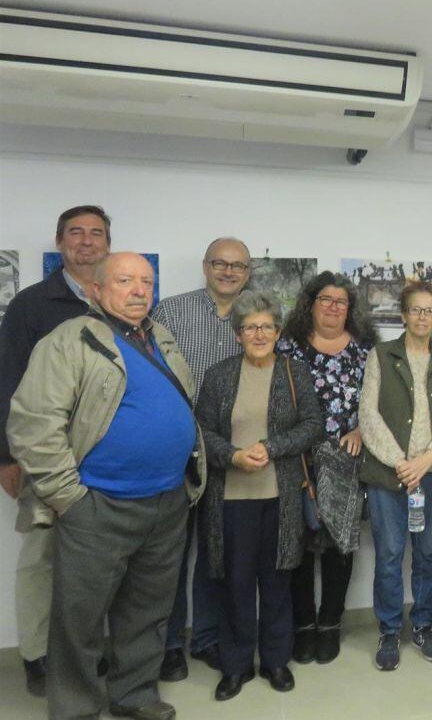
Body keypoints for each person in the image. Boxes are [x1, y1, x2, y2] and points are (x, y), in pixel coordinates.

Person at [8, 252, 206, 720]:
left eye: (147, 281)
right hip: (97, 505)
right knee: (79, 619)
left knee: (147, 611)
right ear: (96, 289)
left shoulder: (161, 337)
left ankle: (133, 696)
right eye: (125, 280)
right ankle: (76, 708)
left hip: (166, 501)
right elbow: (33, 424)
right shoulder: (69, 340)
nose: (140, 290)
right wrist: (69, 498)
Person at [0, 204, 110, 698]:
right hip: (46, 454)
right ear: (60, 242)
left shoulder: (121, 300)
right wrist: (6, 455)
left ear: (107, 243)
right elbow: (6, 381)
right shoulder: (32, 304)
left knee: (98, 561)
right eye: (76, 233)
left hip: (107, 456)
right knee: (42, 556)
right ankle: (38, 656)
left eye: (96, 233)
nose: (86, 241)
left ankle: (86, 649)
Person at [196, 290, 325, 701]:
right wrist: (233, 455)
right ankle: (235, 666)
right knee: (234, 584)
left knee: (277, 581)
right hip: (230, 499)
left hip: (281, 497)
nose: (258, 333)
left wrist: (271, 447)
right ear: (237, 334)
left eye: (266, 326)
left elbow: (312, 424)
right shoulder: (218, 376)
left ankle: (275, 661)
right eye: (249, 327)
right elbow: (201, 434)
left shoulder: (294, 372)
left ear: (278, 331)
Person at [154, 236, 252, 681]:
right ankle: (169, 644)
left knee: (215, 553)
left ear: (248, 272)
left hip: (231, 457)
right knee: (171, 556)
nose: (228, 271)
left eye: (237, 265)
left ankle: (207, 638)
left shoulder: (257, 316)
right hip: (178, 451)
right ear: (205, 266)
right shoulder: (172, 312)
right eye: (220, 263)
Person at [358, 281, 432, 672]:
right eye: (415, 310)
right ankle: (389, 629)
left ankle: (422, 625)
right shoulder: (381, 356)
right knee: (388, 555)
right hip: (390, 476)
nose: (422, 317)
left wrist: (427, 460)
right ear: (403, 315)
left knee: (428, 554)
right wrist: (401, 462)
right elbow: (367, 416)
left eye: (429, 311)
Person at [277, 271, 377, 664]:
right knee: (297, 545)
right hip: (296, 460)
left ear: (349, 310)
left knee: (339, 545)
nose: (334, 307)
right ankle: (303, 627)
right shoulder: (287, 347)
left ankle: (330, 624)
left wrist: (362, 430)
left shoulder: (366, 350)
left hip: (345, 461)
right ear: (310, 305)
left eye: (341, 302)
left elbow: (379, 401)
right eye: (326, 300)